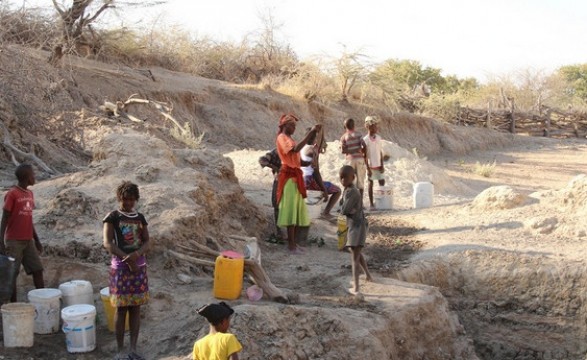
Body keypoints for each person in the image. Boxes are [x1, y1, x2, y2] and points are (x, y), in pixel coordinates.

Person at [103, 181, 150, 360]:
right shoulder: (112, 217)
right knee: (121, 309)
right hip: (121, 269)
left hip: (138, 267)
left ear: (136, 199)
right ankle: (120, 349)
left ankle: (133, 348)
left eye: (132, 199)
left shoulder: (140, 218)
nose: (128, 203)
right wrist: (127, 259)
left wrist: (136, 255)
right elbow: (107, 243)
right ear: (119, 198)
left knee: (136, 308)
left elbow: (147, 241)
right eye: (125, 199)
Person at [275, 113, 321, 255]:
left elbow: (296, 160)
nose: (294, 128)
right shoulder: (282, 138)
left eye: (295, 126)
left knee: (294, 211)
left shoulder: (289, 139)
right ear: (284, 126)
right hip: (289, 178)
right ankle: (291, 245)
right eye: (292, 125)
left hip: (294, 176)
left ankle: (293, 243)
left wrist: (308, 163)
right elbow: (294, 150)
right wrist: (311, 133)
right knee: (290, 212)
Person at [0, 164, 44, 302]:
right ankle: (13, 306)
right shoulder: (12, 194)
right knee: (12, 273)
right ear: (26, 177)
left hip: (28, 240)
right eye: (32, 174)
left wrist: (36, 240)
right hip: (14, 241)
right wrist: (1, 241)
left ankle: (43, 299)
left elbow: (28, 219)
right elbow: (5, 218)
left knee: (37, 270)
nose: (34, 177)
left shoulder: (30, 194)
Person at [339, 165, 372, 294]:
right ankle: (368, 275)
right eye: (341, 178)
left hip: (357, 226)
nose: (342, 181)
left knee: (354, 256)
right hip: (353, 224)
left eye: (345, 178)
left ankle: (356, 287)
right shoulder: (347, 190)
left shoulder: (352, 192)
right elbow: (344, 209)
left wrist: (344, 211)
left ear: (353, 177)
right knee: (356, 251)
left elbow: (344, 209)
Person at [301, 128, 341, 219]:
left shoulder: (301, 148)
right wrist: (324, 190)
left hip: (300, 180)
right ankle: (326, 212)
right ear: (314, 139)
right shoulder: (312, 150)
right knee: (337, 190)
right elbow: (316, 172)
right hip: (309, 180)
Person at [258, 149, 282, 238]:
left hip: (289, 181)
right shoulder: (276, 152)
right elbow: (262, 160)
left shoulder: (292, 149)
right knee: (277, 206)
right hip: (279, 181)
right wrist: (275, 167)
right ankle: (279, 231)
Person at [340, 118, 367, 199]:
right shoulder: (358, 134)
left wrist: (350, 151)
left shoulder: (344, 137)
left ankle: (347, 201)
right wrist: (361, 153)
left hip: (349, 160)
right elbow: (364, 146)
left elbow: (343, 151)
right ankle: (360, 203)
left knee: (348, 181)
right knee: (360, 182)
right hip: (359, 159)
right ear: (354, 126)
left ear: (344, 126)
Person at [363, 116, 386, 211]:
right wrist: (367, 168)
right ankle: (372, 204)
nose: (376, 128)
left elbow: (380, 152)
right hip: (370, 165)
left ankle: (382, 202)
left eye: (376, 126)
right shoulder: (365, 140)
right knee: (370, 183)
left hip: (378, 164)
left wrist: (382, 164)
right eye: (374, 126)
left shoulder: (378, 138)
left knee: (382, 182)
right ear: (368, 127)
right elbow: (364, 155)